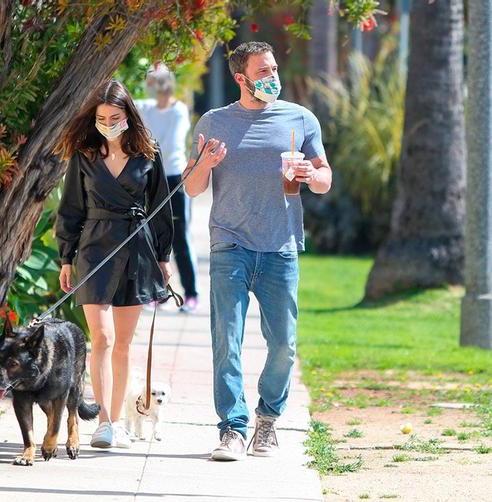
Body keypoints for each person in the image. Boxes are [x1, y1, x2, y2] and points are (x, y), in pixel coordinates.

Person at [183, 41, 332, 461]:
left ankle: (267, 421)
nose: (271, 77)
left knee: (284, 344)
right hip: (230, 244)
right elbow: (193, 189)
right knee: (226, 341)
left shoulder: (300, 119)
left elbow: (324, 178)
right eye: (262, 71)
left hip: (280, 246)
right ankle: (232, 428)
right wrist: (205, 165)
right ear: (240, 78)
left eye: (273, 68)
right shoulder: (213, 122)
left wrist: (310, 173)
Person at [54, 79, 173, 449]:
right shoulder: (85, 157)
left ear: (129, 116)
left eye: (115, 116)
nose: (107, 122)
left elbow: (160, 208)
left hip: (137, 250)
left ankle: (118, 421)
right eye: (102, 117)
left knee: (122, 343)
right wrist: (65, 257)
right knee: (101, 338)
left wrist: (164, 257)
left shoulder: (148, 156)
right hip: (93, 249)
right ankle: (103, 422)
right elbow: (71, 208)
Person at [135, 63, 200, 312]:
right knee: (151, 236)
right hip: (151, 177)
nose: (157, 86)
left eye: (161, 81)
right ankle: (157, 293)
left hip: (174, 179)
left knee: (180, 236)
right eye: (153, 81)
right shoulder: (145, 108)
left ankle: (191, 293)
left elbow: (169, 145)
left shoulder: (178, 111)